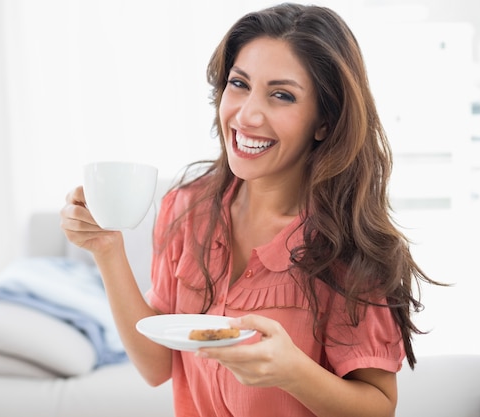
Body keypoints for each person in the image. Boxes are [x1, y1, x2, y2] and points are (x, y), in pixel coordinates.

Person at [61, 3, 439, 416]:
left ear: (324, 122)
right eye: (239, 84)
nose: (246, 114)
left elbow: (379, 408)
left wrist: (292, 371)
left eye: (282, 95)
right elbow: (156, 366)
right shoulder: (186, 210)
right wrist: (107, 250)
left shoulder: (343, 246)